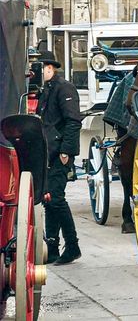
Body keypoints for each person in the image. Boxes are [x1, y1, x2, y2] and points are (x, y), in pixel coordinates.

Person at [35, 50, 82, 265]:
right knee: (49, 200)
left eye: (40, 68)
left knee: (55, 198)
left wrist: (66, 150)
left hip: (59, 152)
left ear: (50, 68)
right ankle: (52, 247)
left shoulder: (64, 88)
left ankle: (72, 246)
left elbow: (73, 121)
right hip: (48, 151)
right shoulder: (46, 90)